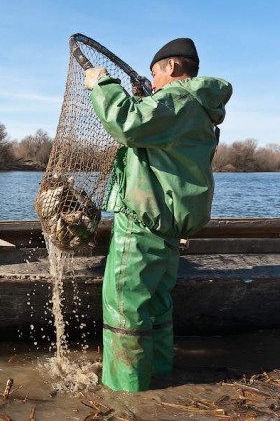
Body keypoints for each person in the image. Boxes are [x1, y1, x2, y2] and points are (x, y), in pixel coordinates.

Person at [83, 38, 233, 392]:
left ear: (171, 67)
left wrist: (100, 84)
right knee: (157, 302)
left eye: (155, 74)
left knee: (125, 304)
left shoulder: (177, 99)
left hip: (143, 222)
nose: (152, 83)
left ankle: (125, 390)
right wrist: (147, 98)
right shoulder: (199, 108)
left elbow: (128, 124)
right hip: (170, 225)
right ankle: (160, 370)